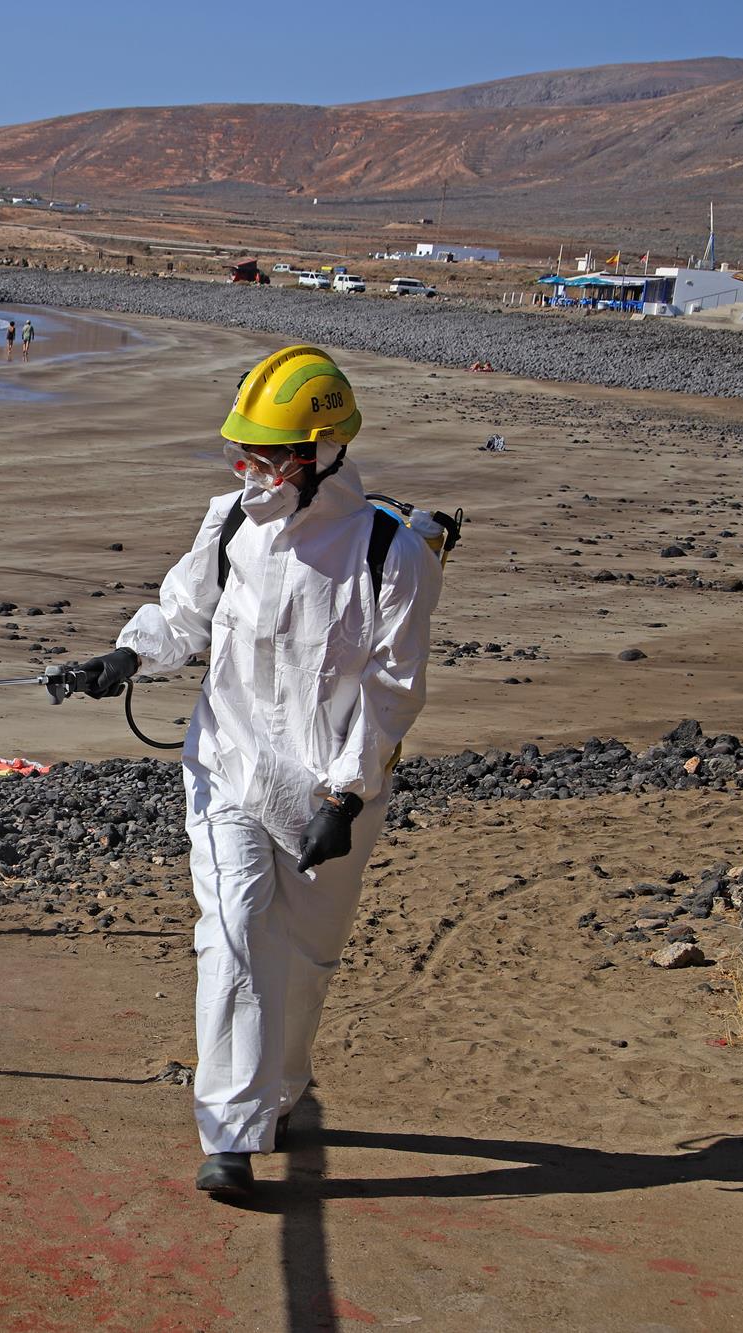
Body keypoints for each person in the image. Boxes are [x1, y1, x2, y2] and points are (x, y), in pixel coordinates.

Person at [58, 345, 443, 1201]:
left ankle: (287, 1086)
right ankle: (229, 1136)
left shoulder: (392, 556)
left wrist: (347, 796)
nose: (252, 469)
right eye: (246, 453)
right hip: (225, 768)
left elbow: (390, 694)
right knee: (233, 934)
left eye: (268, 455)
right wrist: (126, 656)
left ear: (323, 451)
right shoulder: (231, 523)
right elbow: (183, 613)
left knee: (303, 959)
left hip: (329, 793)